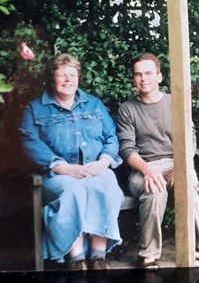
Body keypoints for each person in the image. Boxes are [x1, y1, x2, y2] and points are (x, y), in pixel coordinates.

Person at [19, 54, 124, 270]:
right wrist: (62, 167)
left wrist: (103, 162)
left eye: (72, 75)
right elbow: (29, 142)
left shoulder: (94, 105)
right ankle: (76, 257)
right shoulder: (35, 109)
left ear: (78, 78)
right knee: (73, 189)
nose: (68, 80)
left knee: (106, 185)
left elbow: (111, 137)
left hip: (94, 168)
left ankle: (98, 255)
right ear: (52, 78)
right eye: (62, 75)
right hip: (56, 174)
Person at [116, 53, 199, 270]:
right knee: (155, 190)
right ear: (133, 80)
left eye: (148, 73)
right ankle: (148, 254)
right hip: (142, 168)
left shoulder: (175, 102)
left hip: (177, 162)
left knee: (187, 186)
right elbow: (127, 149)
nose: (143, 78)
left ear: (159, 76)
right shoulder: (127, 109)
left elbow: (190, 138)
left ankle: (195, 248)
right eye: (138, 74)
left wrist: (182, 168)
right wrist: (147, 170)